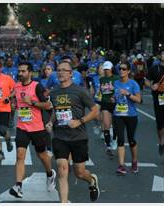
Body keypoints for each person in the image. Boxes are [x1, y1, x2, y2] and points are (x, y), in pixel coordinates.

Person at [46, 61, 100, 203]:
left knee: (79, 172)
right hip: (60, 136)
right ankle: (63, 202)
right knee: (62, 169)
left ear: (71, 73)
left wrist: (80, 121)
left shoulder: (80, 91)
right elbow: (55, 110)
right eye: (58, 70)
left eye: (64, 70)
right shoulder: (54, 91)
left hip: (78, 136)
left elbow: (95, 110)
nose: (61, 72)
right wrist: (51, 122)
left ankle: (91, 180)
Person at [9, 62, 56, 198]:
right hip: (22, 127)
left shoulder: (37, 86)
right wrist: (13, 105)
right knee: (20, 156)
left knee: (42, 155)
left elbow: (48, 105)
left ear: (30, 73)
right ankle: (18, 186)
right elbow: (15, 102)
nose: (20, 73)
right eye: (19, 71)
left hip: (37, 128)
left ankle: (49, 173)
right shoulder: (16, 86)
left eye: (23, 71)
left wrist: (33, 102)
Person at [112, 62, 141, 174]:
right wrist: (113, 99)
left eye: (124, 69)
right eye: (120, 68)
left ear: (128, 71)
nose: (121, 71)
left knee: (131, 139)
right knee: (120, 139)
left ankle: (134, 161)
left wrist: (128, 94)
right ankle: (121, 165)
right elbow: (114, 98)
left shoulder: (133, 84)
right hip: (118, 115)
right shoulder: (115, 83)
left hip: (131, 115)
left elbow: (138, 100)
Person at [146, 51, 164, 156]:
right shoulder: (154, 68)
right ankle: (161, 141)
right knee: (160, 123)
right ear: (160, 56)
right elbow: (147, 81)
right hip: (159, 98)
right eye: (163, 54)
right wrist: (151, 86)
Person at [99, 61, 119, 156]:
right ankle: (108, 146)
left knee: (115, 124)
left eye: (108, 68)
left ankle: (114, 139)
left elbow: (120, 89)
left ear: (111, 69)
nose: (106, 70)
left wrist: (115, 96)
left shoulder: (116, 78)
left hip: (115, 103)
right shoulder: (101, 79)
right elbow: (101, 90)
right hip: (105, 103)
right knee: (106, 124)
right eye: (105, 69)